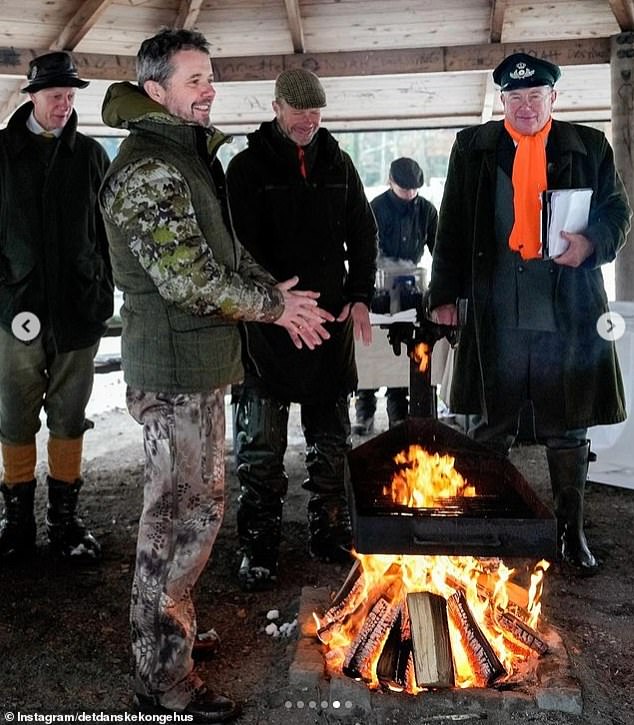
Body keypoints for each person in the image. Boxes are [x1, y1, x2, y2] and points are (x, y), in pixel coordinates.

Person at [99, 30, 333, 722]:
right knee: (171, 525)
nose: (208, 89)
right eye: (193, 79)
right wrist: (274, 306)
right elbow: (188, 278)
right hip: (171, 372)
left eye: (211, 77)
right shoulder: (148, 168)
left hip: (200, 369)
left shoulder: (187, 157)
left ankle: (170, 634)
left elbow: (226, 254)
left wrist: (277, 297)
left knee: (198, 515)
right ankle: (161, 679)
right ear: (155, 91)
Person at [428, 52, 631, 577]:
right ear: (502, 101)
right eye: (514, 98)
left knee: (568, 428)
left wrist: (589, 244)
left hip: (566, 310)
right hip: (496, 311)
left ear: (552, 99)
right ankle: (491, 526)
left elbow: (617, 211)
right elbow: (450, 223)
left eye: (534, 97)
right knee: (489, 426)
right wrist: (443, 295)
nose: (524, 106)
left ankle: (569, 533)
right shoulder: (473, 148)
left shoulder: (586, 145)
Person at [226, 68, 377, 591]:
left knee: (331, 441)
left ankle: (329, 528)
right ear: (276, 107)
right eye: (298, 111)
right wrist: (277, 305)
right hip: (266, 325)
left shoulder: (339, 163)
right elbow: (237, 250)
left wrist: (359, 296)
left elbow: (363, 233)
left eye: (315, 113)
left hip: (329, 322)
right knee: (260, 446)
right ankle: (259, 541)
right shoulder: (245, 169)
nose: (307, 121)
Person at [0, 52, 113, 564]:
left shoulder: (90, 156)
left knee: (69, 415)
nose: (64, 105)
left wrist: (102, 294)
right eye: (55, 96)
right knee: (14, 415)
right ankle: (16, 524)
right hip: (14, 311)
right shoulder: (2, 152)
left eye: (70, 97)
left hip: (76, 310)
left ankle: (64, 524)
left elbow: (109, 235)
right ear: (31, 97)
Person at [353, 157, 438, 434]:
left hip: (411, 291)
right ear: (391, 182)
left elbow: (439, 249)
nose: (410, 195)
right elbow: (364, 250)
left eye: (415, 190)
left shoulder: (426, 211)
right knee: (371, 349)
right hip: (377, 290)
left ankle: (398, 414)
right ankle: (364, 412)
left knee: (401, 349)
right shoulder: (374, 208)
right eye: (405, 189)